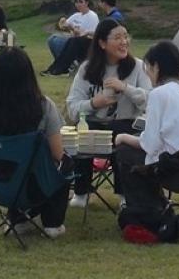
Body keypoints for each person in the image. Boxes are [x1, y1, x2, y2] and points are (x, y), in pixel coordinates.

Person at [113, 41, 179, 242]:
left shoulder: (159, 94)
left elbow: (149, 145)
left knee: (124, 152)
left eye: (149, 69)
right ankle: (154, 207)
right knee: (133, 152)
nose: (149, 75)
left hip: (177, 171)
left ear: (157, 67)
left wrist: (123, 137)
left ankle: (146, 212)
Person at [0, 47, 70, 239]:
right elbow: (58, 154)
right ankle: (52, 223)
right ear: (28, 75)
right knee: (65, 164)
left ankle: (19, 218)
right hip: (34, 183)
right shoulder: (42, 105)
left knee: (23, 166)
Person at [65, 20, 151, 207]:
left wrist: (126, 88)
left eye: (125, 36)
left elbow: (151, 100)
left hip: (125, 124)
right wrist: (95, 103)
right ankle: (81, 192)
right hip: (94, 124)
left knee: (121, 137)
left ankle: (124, 195)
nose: (124, 42)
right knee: (81, 135)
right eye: (117, 37)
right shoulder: (87, 70)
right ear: (102, 43)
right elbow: (72, 107)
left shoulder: (138, 67)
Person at [43, 0, 98, 76]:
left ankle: (62, 68)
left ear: (87, 3)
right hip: (74, 40)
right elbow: (63, 25)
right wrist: (62, 23)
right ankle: (61, 65)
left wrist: (73, 29)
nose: (78, 4)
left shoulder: (92, 16)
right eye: (76, 2)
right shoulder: (76, 15)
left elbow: (91, 35)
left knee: (68, 41)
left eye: (81, 2)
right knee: (52, 39)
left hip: (86, 44)